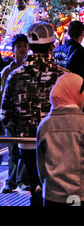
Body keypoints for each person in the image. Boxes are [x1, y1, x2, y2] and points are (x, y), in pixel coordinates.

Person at [1, 21, 69, 206]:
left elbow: (5, 113)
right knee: (55, 188)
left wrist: (20, 134)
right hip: (57, 142)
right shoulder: (64, 75)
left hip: (27, 143)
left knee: (34, 184)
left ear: (29, 46)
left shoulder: (15, 76)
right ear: (52, 46)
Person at [37, 73, 84, 206]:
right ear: (73, 93)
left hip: (53, 197)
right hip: (82, 196)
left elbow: (41, 165)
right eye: (83, 92)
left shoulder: (44, 125)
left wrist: (47, 189)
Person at [0, 34, 30, 193]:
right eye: (19, 46)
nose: (22, 49)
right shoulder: (7, 71)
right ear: (13, 49)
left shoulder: (30, 69)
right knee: (12, 151)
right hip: (11, 117)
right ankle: (11, 182)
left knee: (25, 150)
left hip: (27, 117)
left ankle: (22, 181)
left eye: (25, 46)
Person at [52, 20, 84, 117]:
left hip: (59, 97)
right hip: (78, 101)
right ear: (82, 34)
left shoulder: (56, 52)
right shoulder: (82, 53)